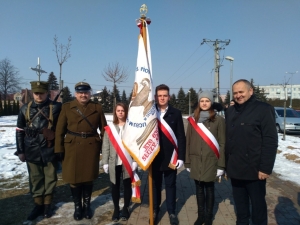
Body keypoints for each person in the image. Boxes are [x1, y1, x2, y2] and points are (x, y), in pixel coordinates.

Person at [225, 79, 278, 225]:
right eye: (235, 93)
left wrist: (265, 168)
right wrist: (226, 166)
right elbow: (228, 141)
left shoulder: (263, 109)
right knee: (241, 209)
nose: (238, 95)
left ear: (250, 91)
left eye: (241, 92)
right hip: (235, 169)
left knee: (258, 208)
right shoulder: (230, 111)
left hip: (255, 171)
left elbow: (270, 140)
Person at [55, 81, 107, 221]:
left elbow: (104, 130)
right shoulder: (67, 107)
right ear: (75, 94)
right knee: (74, 178)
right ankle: (78, 207)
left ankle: (87, 205)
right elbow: (60, 130)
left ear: (90, 93)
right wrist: (58, 148)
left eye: (86, 92)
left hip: (91, 146)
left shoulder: (97, 107)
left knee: (88, 178)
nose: (83, 95)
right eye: (80, 93)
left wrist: (105, 149)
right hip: (72, 147)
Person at [16, 81, 62, 220]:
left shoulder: (57, 107)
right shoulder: (25, 109)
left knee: (50, 178)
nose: (39, 95)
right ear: (32, 93)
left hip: (50, 147)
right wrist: (20, 151)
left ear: (47, 93)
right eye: (36, 93)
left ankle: (47, 204)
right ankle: (38, 205)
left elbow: (63, 128)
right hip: (31, 149)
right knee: (35, 179)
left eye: (41, 93)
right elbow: (19, 131)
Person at [184, 90, 225, 225]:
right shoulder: (192, 120)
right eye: (202, 101)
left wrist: (221, 165)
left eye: (207, 101)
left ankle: (208, 217)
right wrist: (188, 162)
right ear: (199, 103)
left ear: (211, 103)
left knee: (209, 188)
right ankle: (200, 215)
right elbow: (188, 141)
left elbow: (222, 143)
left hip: (211, 161)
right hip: (196, 161)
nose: (204, 103)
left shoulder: (218, 120)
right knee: (199, 189)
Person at [152, 84, 186, 225]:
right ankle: (155, 211)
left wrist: (181, 157)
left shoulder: (176, 113)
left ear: (169, 97)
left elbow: (181, 136)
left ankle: (172, 212)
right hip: (154, 157)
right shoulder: (150, 112)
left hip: (171, 157)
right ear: (156, 97)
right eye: (160, 96)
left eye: (165, 95)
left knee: (171, 185)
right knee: (155, 186)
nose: (162, 98)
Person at [102, 103, 137, 222]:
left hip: (127, 161)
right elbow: (105, 146)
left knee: (127, 185)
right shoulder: (110, 128)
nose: (120, 112)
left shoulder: (131, 127)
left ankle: (126, 208)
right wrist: (105, 162)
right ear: (115, 112)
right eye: (118, 111)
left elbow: (136, 145)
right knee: (115, 186)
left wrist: (135, 160)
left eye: (123, 110)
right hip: (114, 161)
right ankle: (116, 209)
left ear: (126, 112)